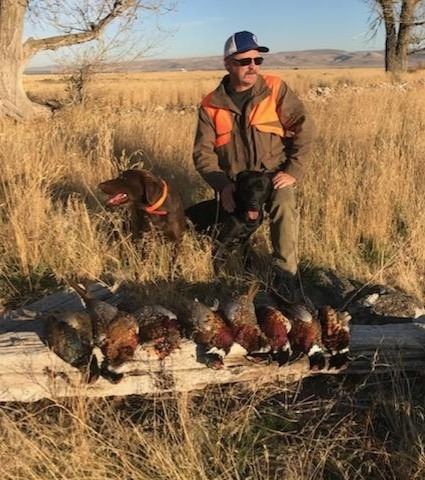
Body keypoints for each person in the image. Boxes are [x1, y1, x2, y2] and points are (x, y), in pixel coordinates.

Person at [193, 31, 316, 298]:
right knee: (227, 220)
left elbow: (304, 127)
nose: (252, 66)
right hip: (236, 182)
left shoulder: (275, 88)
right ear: (228, 64)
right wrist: (223, 186)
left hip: (273, 175)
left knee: (283, 205)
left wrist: (293, 170)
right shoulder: (210, 105)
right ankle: (224, 274)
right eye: (244, 61)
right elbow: (203, 154)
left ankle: (286, 275)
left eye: (257, 60)